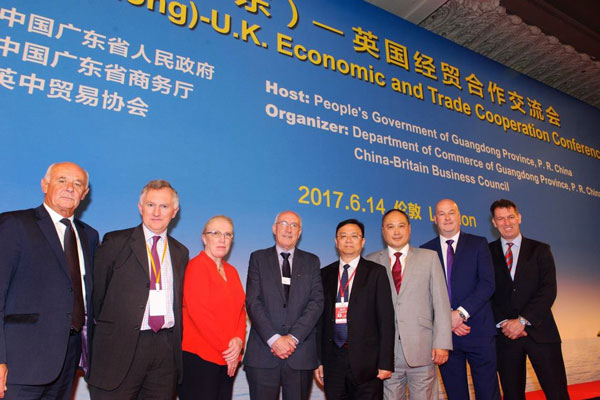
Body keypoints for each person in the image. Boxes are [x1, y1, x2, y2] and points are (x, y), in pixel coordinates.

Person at [0, 162, 99, 400]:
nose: (70, 188)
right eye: (62, 180)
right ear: (45, 185)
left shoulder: (89, 235)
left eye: (77, 184)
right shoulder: (14, 224)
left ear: (84, 193)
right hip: (20, 365)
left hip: (67, 363)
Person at [88, 180, 189, 399]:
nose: (156, 212)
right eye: (151, 205)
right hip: (120, 347)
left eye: (164, 206)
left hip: (164, 350)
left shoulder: (180, 252)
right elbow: (97, 296)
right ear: (140, 207)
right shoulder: (116, 242)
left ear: (174, 212)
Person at [366, 209, 452, 400]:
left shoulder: (429, 257)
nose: (396, 231)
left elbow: (441, 303)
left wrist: (442, 343)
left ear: (409, 229)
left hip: (423, 350)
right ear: (382, 231)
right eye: (390, 227)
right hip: (385, 354)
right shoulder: (371, 261)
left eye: (401, 226)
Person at [489, 199, 569, 400]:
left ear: (519, 218)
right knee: (512, 395)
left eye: (510, 217)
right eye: (500, 218)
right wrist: (505, 323)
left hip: (541, 333)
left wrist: (522, 320)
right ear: (494, 223)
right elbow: (486, 292)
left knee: (557, 393)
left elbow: (548, 290)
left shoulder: (540, 249)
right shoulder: (486, 253)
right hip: (505, 336)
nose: (507, 222)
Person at [421, 199, 499, 400]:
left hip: (478, 331)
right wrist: (447, 318)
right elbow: (424, 293)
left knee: (488, 393)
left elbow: (487, 284)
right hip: (445, 337)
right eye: (441, 214)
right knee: (455, 394)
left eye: (451, 213)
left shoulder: (478, 244)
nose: (447, 218)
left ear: (459, 216)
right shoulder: (425, 251)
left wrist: (460, 314)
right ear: (434, 219)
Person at [243, 211, 323, 400]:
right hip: (263, 353)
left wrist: (293, 338)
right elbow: (253, 301)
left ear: (300, 232)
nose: (288, 229)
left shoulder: (312, 261)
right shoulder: (258, 258)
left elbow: (317, 302)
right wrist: (274, 339)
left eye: (294, 225)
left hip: (300, 354)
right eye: (284, 223)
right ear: (274, 228)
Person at [316, 218, 395, 400]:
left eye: (354, 236)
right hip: (333, 361)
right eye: (343, 236)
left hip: (367, 363)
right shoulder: (324, 274)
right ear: (336, 241)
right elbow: (319, 322)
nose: (348, 240)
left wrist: (385, 362)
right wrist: (319, 360)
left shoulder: (376, 272)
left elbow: (386, 320)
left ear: (363, 241)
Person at [178, 215, 246, 400]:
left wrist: (239, 341)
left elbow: (241, 311)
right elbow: (200, 314)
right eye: (215, 233)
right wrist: (229, 351)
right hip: (200, 358)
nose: (222, 239)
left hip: (227, 359)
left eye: (228, 234)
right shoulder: (196, 267)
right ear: (204, 238)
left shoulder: (232, 271)